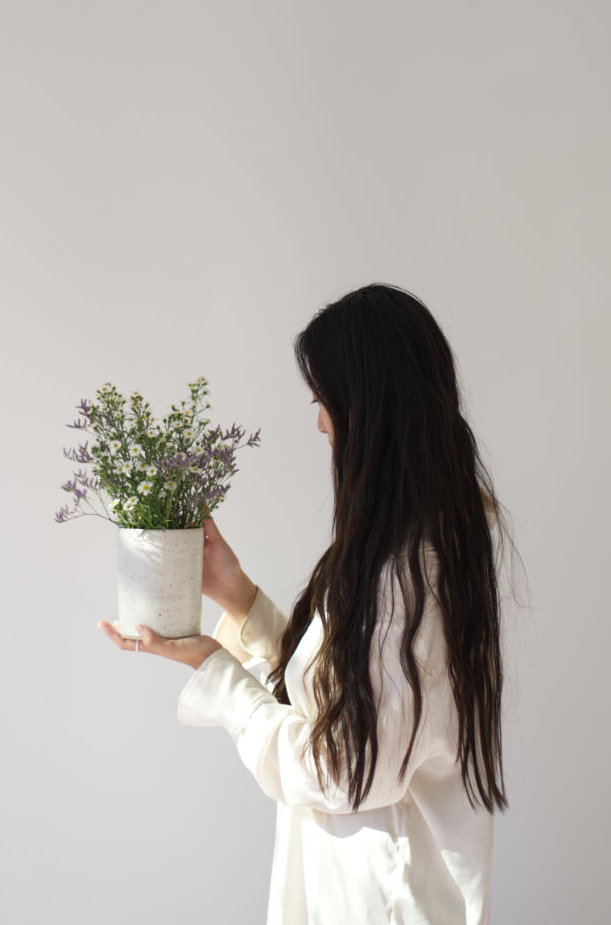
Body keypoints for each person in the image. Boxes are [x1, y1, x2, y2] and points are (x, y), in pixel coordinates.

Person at [98, 282, 510, 924]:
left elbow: (340, 768)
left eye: (325, 400)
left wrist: (219, 674)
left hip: (383, 901)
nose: (320, 421)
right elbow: (347, 689)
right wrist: (239, 597)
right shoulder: (414, 546)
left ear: (369, 407)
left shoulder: (410, 574)